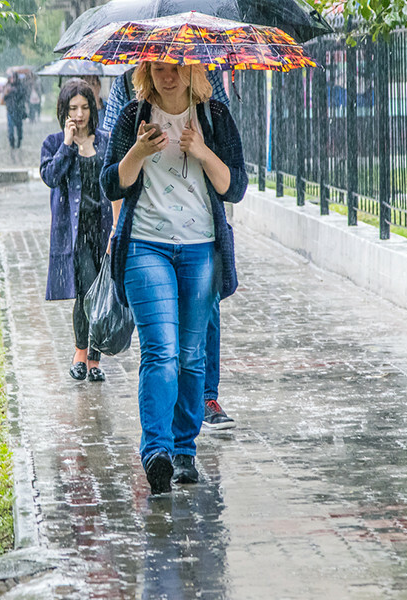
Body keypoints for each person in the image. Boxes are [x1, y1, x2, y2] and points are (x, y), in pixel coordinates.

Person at [100, 62, 247, 494]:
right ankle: (157, 452)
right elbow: (110, 184)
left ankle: (185, 450)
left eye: (177, 68)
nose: (168, 77)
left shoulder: (215, 116)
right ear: (147, 71)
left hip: (200, 249)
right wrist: (138, 153)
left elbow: (235, 186)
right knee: (161, 350)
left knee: (190, 353)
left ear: (194, 71)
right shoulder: (133, 116)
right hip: (146, 246)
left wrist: (202, 151)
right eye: (159, 68)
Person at [40, 79, 113, 383]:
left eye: (84, 107)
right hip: (76, 232)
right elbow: (50, 177)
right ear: (64, 110)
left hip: (104, 228)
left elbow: (118, 183)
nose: (80, 114)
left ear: (93, 107)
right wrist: (68, 145)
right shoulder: (54, 142)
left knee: (101, 293)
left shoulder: (106, 141)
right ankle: (80, 354)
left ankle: (95, 361)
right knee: (85, 292)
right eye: (73, 108)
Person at [2, 73, 27, 149]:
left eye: (14, 77)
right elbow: (4, 99)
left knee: (19, 128)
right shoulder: (7, 87)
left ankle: (19, 141)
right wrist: (7, 92)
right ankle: (12, 143)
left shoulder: (20, 86)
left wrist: (15, 91)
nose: (12, 79)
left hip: (18, 111)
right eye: (11, 78)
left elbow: (23, 96)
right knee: (10, 129)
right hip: (10, 110)